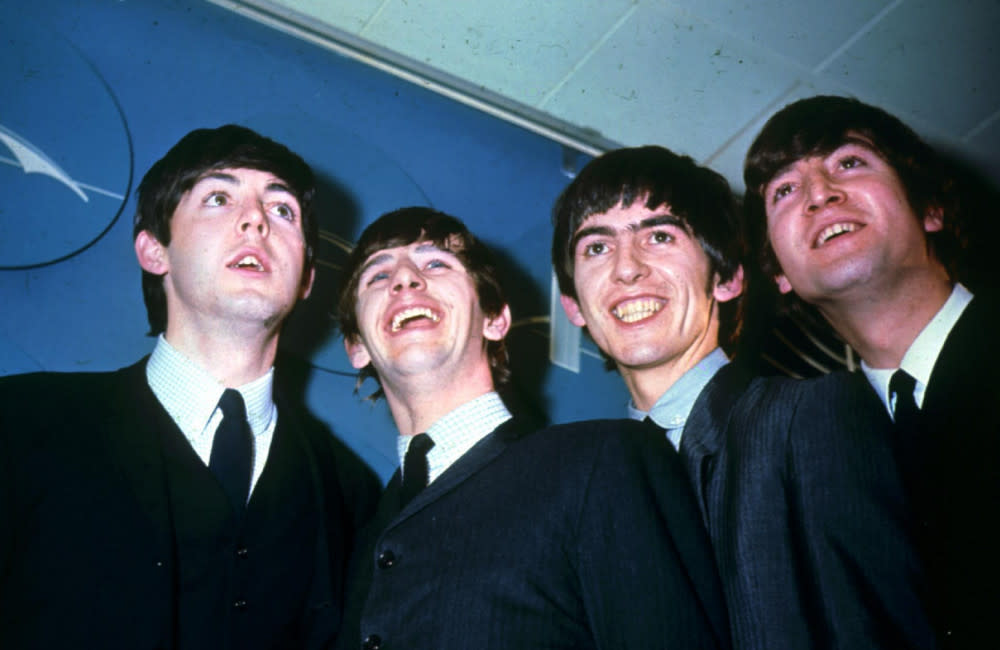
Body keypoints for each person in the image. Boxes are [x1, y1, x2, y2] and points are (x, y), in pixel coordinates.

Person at [0, 125, 379, 649]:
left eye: (283, 210)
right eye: (219, 198)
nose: (256, 220)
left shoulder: (350, 492)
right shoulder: (19, 422)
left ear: (308, 278)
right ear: (155, 252)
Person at [552, 145, 935, 649]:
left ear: (728, 279)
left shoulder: (810, 417)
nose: (627, 269)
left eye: (660, 236)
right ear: (573, 305)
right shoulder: (580, 494)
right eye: (596, 248)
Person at [332, 206, 731, 650]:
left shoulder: (603, 461)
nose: (405, 280)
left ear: (495, 319)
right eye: (378, 276)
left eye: (435, 264)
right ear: (356, 347)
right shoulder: (359, 540)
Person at [743, 94, 1000, 648]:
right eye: (784, 191)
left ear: (930, 208)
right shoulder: (822, 464)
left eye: (849, 163)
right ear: (780, 274)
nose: (819, 195)